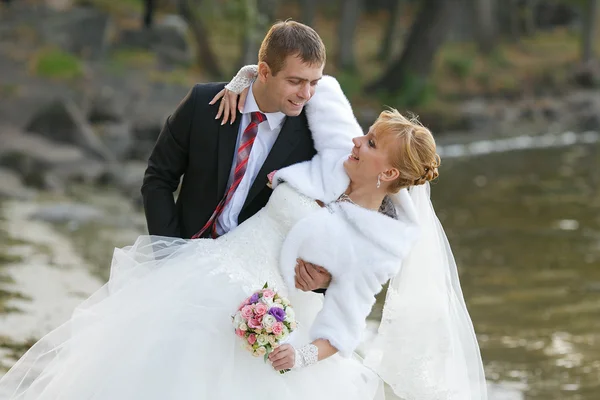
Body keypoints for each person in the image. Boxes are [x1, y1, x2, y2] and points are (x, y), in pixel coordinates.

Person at [0, 75, 487, 399]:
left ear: (390, 173)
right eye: (365, 135)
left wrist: (299, 351)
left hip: (267, 325)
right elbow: (314, 78)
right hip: (204, 277)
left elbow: (344, 325)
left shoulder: (382, 242)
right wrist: (244, 79)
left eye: (372, 143)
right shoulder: (338, 152)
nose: (359, 139)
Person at [141, 20, 332, 293]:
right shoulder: (202, 105)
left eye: (314, 83)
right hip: (181, 264)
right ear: (264, 72)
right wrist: (169, 254)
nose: (306, 94)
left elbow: (339, 215)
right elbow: (158, 177)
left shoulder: (315, 138)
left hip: (253, 285)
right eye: (295, 81)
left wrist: (325, 281)